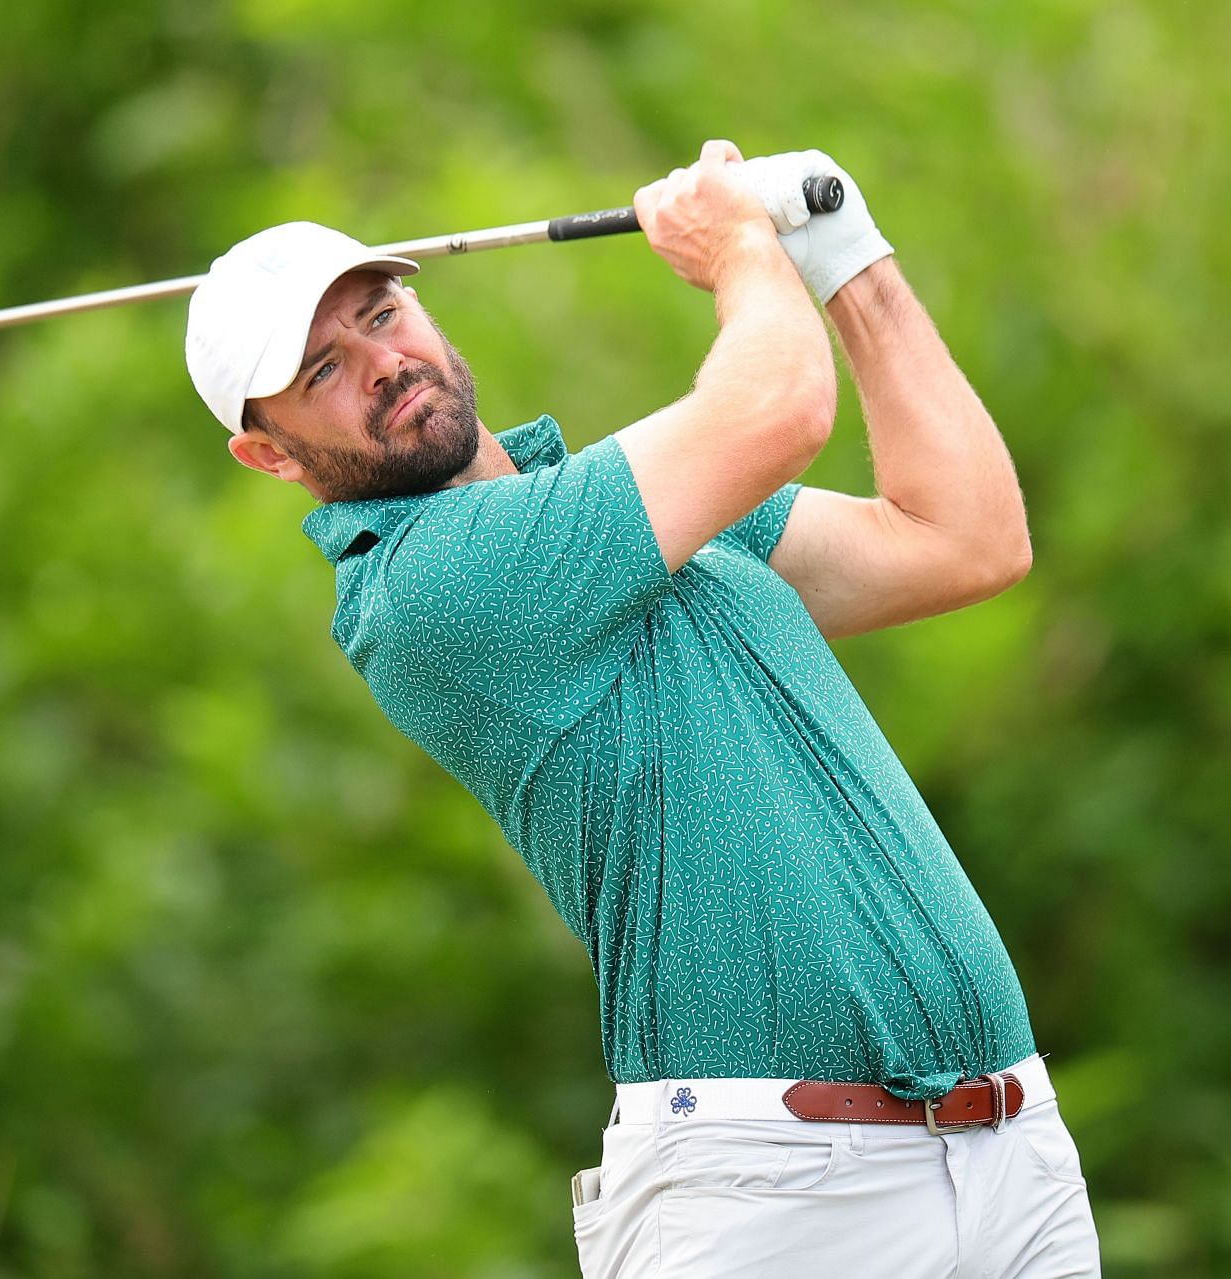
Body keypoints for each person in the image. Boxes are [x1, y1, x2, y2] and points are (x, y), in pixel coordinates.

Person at [183, 138, 1100, 1277]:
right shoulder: (425, 586)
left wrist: (846, 250)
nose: (381, 361)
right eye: (321, 370)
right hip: (776, 1193)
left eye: (380, 313)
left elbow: (966, 539)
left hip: (1010, 1155)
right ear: (269, 457)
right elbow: (777, 406)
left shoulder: (642, 515)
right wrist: (739, 247)